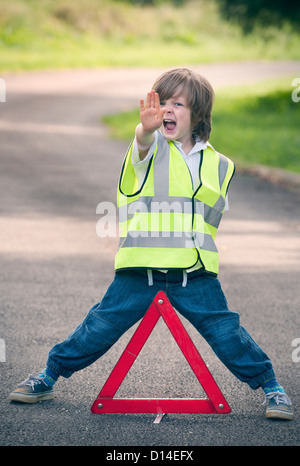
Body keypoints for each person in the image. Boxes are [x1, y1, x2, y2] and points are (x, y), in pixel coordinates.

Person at [9, 68, 293, 420]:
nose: (168, 111)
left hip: (193, 273)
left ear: (199, 114)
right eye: (164, 103)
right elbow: (142, 142)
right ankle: (47, 377)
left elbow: (210, 219)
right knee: (99, 326)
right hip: (141, 268)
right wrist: (145, 128)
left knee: (226, 331)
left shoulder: (220, 165)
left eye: (179, 104)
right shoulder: (151, 146)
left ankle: (273, 389)